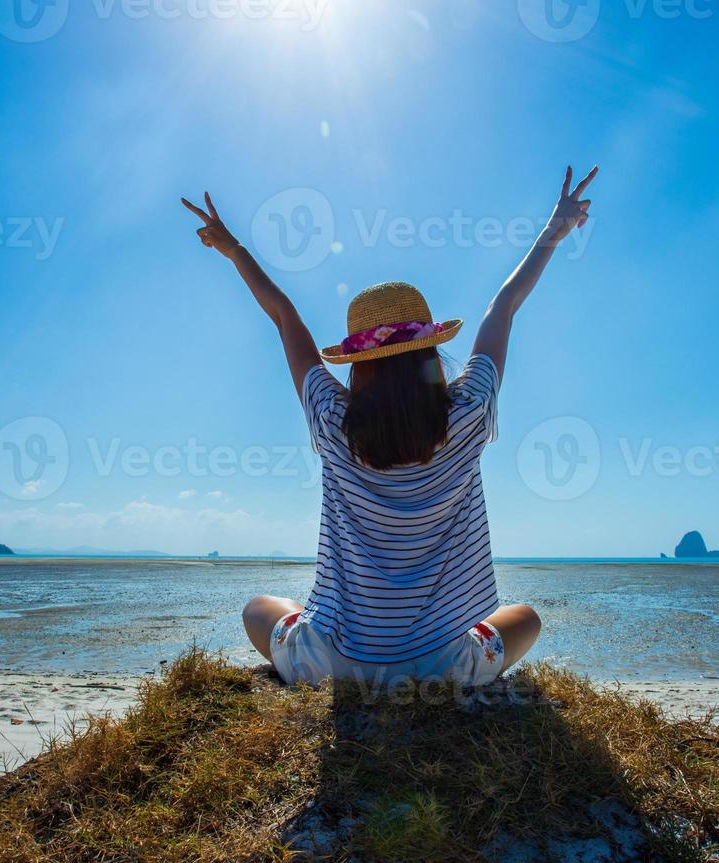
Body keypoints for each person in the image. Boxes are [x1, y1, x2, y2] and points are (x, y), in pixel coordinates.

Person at [181, 165, 596, 687]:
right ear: (428, 348)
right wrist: (554, 230)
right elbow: (504, 307)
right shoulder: (467, 415)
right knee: (526, 617)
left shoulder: (333, 420)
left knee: (258, 608)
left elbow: (286, 317)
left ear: (357, 365)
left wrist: (234, 248)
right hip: (441, 669)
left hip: (332, 665)